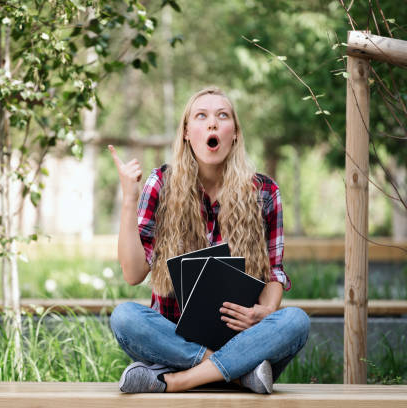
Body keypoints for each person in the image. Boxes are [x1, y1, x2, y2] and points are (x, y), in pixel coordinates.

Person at [108, 86, 310, 394]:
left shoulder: (265, 192)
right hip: (177, 342)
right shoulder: (160, 183)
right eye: (201, 116)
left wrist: (264, 313)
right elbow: (134, 273)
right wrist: (128, 200)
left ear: (235, 133)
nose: (212, 124)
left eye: (222, 116)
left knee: (295, 321)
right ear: (187, 132)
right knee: (124, 317)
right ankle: (236, 373)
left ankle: (178, 381)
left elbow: (274, 272)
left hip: (244, 339)